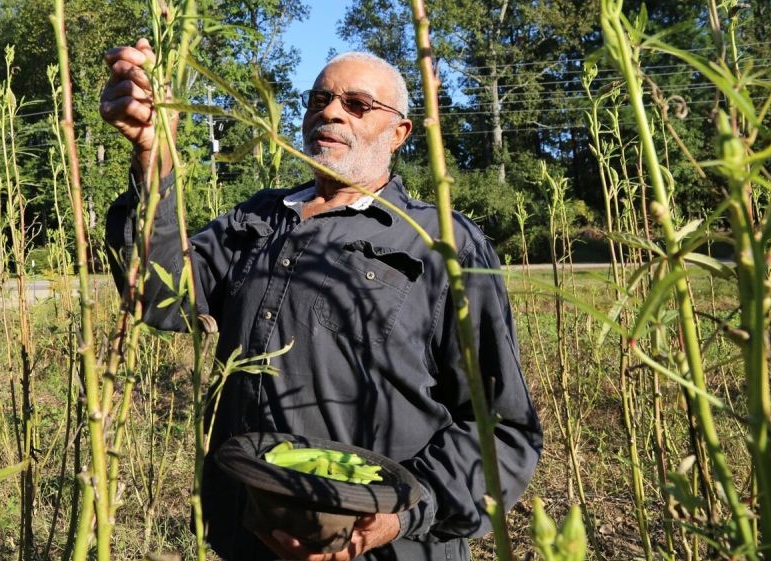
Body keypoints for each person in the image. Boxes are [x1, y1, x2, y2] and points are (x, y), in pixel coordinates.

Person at [102, 38, 542, 561]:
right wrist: (154, 157)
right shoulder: (258, 219)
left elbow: (501, 428)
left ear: (399, 132)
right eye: (319, 100)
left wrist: (397, 517)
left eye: (357, 105)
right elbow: (159, 295)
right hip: (255, 533)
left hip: (388, 548)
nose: (330, 112)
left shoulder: (442, 241)